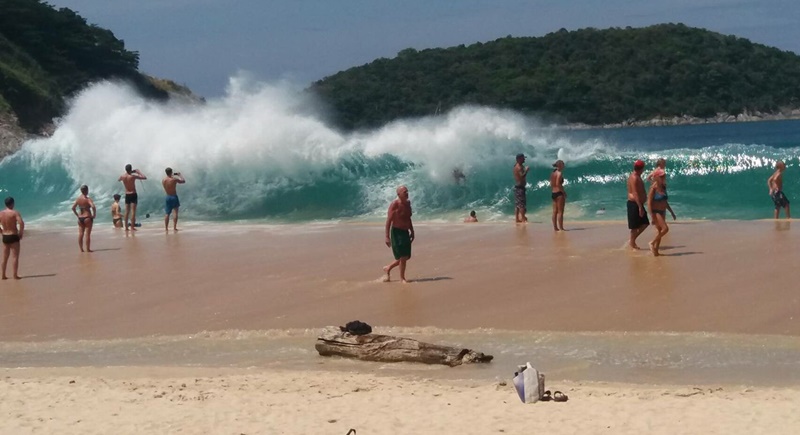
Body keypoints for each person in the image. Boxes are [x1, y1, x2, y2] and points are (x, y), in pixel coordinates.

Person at [383, 185, 414, 283]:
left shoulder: (408, 204)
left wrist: (412, 231)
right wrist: (387, 236)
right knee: (403, 256)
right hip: (396, 232)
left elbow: (408, 218)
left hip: (405, 232)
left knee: (405, 257)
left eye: (407, 191)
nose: (407, 193)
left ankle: (388, 268)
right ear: (399, 194)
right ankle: (402, 278)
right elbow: (389, 220)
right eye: (404, 192)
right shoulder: (394, 204)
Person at [647, 169, 676, 256]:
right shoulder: (653, 188)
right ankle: (652, 243)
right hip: (656, 212)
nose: (663, 177)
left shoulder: (663, 187)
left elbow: (665, 202)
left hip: (662, 211)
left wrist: (671, 212)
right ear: (656, 177)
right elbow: (649, 202)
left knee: (659, 231)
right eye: (661, 176)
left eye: (663, 175)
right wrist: (652, 215)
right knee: (665, 229)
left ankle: (656, 251)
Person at [627, 160, 650, 250]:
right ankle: (632, 242)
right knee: (634, 226)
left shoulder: (637, 176)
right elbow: (635, 193)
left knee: (645, 223)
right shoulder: (634, 177)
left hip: (638, 203)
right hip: (634, 203)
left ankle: (632, 241)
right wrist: (640, 207)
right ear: (642, 168)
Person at [0, 197, 24, 280]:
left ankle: (3, 275)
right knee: (15, 257)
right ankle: (15, 275)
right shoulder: (15, 213)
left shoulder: (1, 213)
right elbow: (21, 223)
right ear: (12, 203)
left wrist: (1, 231)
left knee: (5, 257)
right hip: (13, 235)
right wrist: (20, 233)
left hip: (5, 236)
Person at [118, 164, 147, 230]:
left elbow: (119, 180)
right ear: (131, 169)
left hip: (127, 194)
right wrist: (138, 172)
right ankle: (132, 227)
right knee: (133, 211)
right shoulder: (133, 176)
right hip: (133, 194)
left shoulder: (122, 176)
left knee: (127, 211)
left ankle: (126, 227)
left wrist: (127, 173)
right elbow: (144, 177)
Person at [71, 185, 97, 252]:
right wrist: (94, 215)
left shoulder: (78, 199)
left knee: (80, 234)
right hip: (87, 217)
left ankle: (81, 249)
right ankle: (88, 249)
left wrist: (77, 215)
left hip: (80, 218)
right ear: (87, 191)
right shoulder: (88, 199)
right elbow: (93, 207)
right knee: (87, 234)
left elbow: (73, 208)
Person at [162, 167, 186, 231]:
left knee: (167, 213)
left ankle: (166, 228)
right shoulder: (174, 179)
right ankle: (174, 227)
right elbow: (183, 181)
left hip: (168, 196)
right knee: (175, 212)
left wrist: (171, 175)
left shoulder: (163, 180)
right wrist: (179, 175)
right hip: (174, 196)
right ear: (171, 172)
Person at [513, 153, 530, 223]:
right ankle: (523, 219)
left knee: (517, 204)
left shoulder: (516, 166)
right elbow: (521, 176)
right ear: (519, 159)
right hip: (520, 187)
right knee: (522, 204)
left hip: (518, 187)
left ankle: (517, 218)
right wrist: (526, 170)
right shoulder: (519, 167)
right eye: (523, 158)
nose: (524, 159)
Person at [550, 160, 566, 231]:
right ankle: (561, 227)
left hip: (553, 193)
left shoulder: (553, 173)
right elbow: (558, 184)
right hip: (559, 193)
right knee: (560, 211)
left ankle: (555, 227)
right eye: (563, 164)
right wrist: (563, 192)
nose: (564, 166)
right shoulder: (559, 173)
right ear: (560, 165)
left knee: (554, 211)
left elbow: (551, 183)